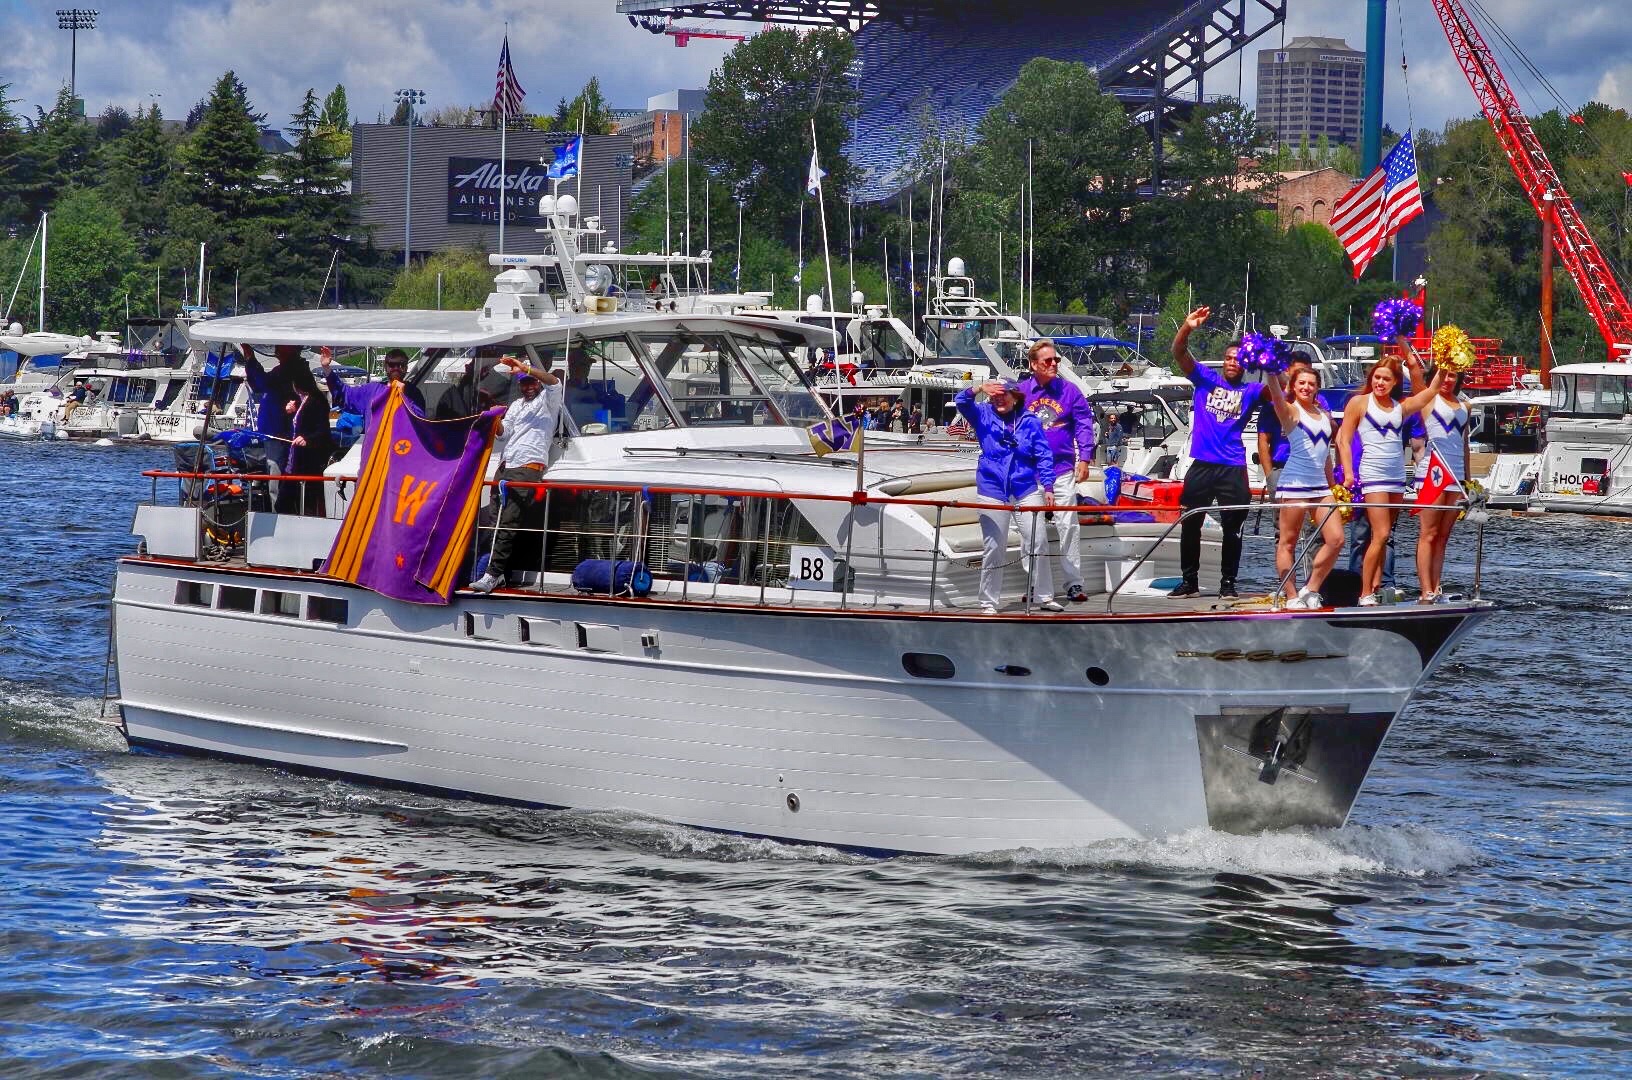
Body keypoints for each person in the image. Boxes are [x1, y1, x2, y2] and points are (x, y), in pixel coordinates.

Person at [1168, 306, 1268, 599]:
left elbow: (1280, 391)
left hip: (1232, 467)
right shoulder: (1205, 378)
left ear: (1245, 364)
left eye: (1238, 359)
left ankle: (1228, 584)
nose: (1232, 362)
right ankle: (1189, 581)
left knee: (1232, 529)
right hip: (1202, 464)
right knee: (1190, 524)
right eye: (1228, 358)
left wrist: (1269, 359)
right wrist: (1187, 327)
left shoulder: (1250, 391)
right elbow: (1178, 352)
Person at [1337, 350, 1443, 605]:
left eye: (1386, 379)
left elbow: (1430, 393)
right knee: (1381, 533)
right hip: (1372, 473)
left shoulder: (1401, 407)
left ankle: (1376, 585)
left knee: (1385, 536)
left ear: (1395, 382)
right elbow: (1343, 439)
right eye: (1377, 377)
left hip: (1395, 474)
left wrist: (1445, 364)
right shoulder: (1359, 403)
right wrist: (1349, 472)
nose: (1380, 383)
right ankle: (1364, 592)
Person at [954, 378, 1060, 614]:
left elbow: (1043, 456)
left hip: (1025, 488)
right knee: (995, 547)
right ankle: (988, 602)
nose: (998, 399)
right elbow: (961, 401)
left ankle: (1043, 596)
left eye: (1004, 395)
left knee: (1038, 540)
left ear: (1016, 397)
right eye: (995, 395)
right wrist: (979, 388)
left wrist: (1049, 487)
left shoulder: (1030, 421)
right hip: (992, 488)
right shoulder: (981, 414)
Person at [470, 356, 565, 594]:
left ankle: (492, 575)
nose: (529, 386)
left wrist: (526, 368)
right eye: (524, 382)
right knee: (495, 521)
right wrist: (493, 414)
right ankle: (498, 572)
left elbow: (554, 382)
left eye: (532, 382)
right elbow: (504, 434)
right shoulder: (516, 405)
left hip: (528, 467)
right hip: (506, 466)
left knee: (507, 522)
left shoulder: (548, 400)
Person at [1018, 338, 1096, 603]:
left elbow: (1084, 424)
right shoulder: (1021, 393)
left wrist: (1084, 458)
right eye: (1047, 361)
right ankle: (1033, 584)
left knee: (1068, 525)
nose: (1053, 364)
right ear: (1033, 365)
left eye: (1056, 360)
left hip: (1062, 469)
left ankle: (1073, 583)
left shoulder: (1070, 391)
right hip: (1029, 473)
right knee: (1031, 531)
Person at [1262, 364, 1343, 608]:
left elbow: (1326, 454)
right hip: (1295, 483)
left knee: (1336, 540)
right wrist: (1270, 370)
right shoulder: (1290, 411)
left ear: (1317, 387)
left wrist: (1333, 485)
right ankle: (1292, 595)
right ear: (1294, 387)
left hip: (1320, 486)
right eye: (1302, 383)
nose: (1307, 387)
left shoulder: (1323, 413)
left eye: (1311, 383)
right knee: (1288, 541)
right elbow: (1275, 394)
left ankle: (1311, 588)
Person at [1415, 367, 1470, 602]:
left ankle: (1437, 587)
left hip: (1456, 476)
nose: (1448, 379)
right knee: (1428, 533)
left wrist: (1468, 481)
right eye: (1444, 374)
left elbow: (1465, 444)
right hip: (1433, 473)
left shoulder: (1465, 406)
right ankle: (1425, 589)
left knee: (1443, 536)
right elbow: (1419, 379)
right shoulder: (1429, 399)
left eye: (1452, 375)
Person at [277, 361, 335, 517]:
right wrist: (289, 413)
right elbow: (295, 426)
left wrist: (308, 439)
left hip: (308, 461)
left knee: (306, 501)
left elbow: (322, 430)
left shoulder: (317, 401)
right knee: (283, 502)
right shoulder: (298, 401)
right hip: (294, 460)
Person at [322, 347, 425, 428]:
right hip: (375, 448)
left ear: (406, 367)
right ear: (386, 366)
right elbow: (344, 394)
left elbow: (419, 421)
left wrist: (402, 395)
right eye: (392, 364)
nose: (396, 368)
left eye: (401, 365)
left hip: (402, 448)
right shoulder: (372, 390)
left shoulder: (413, 393)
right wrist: (327, 368)